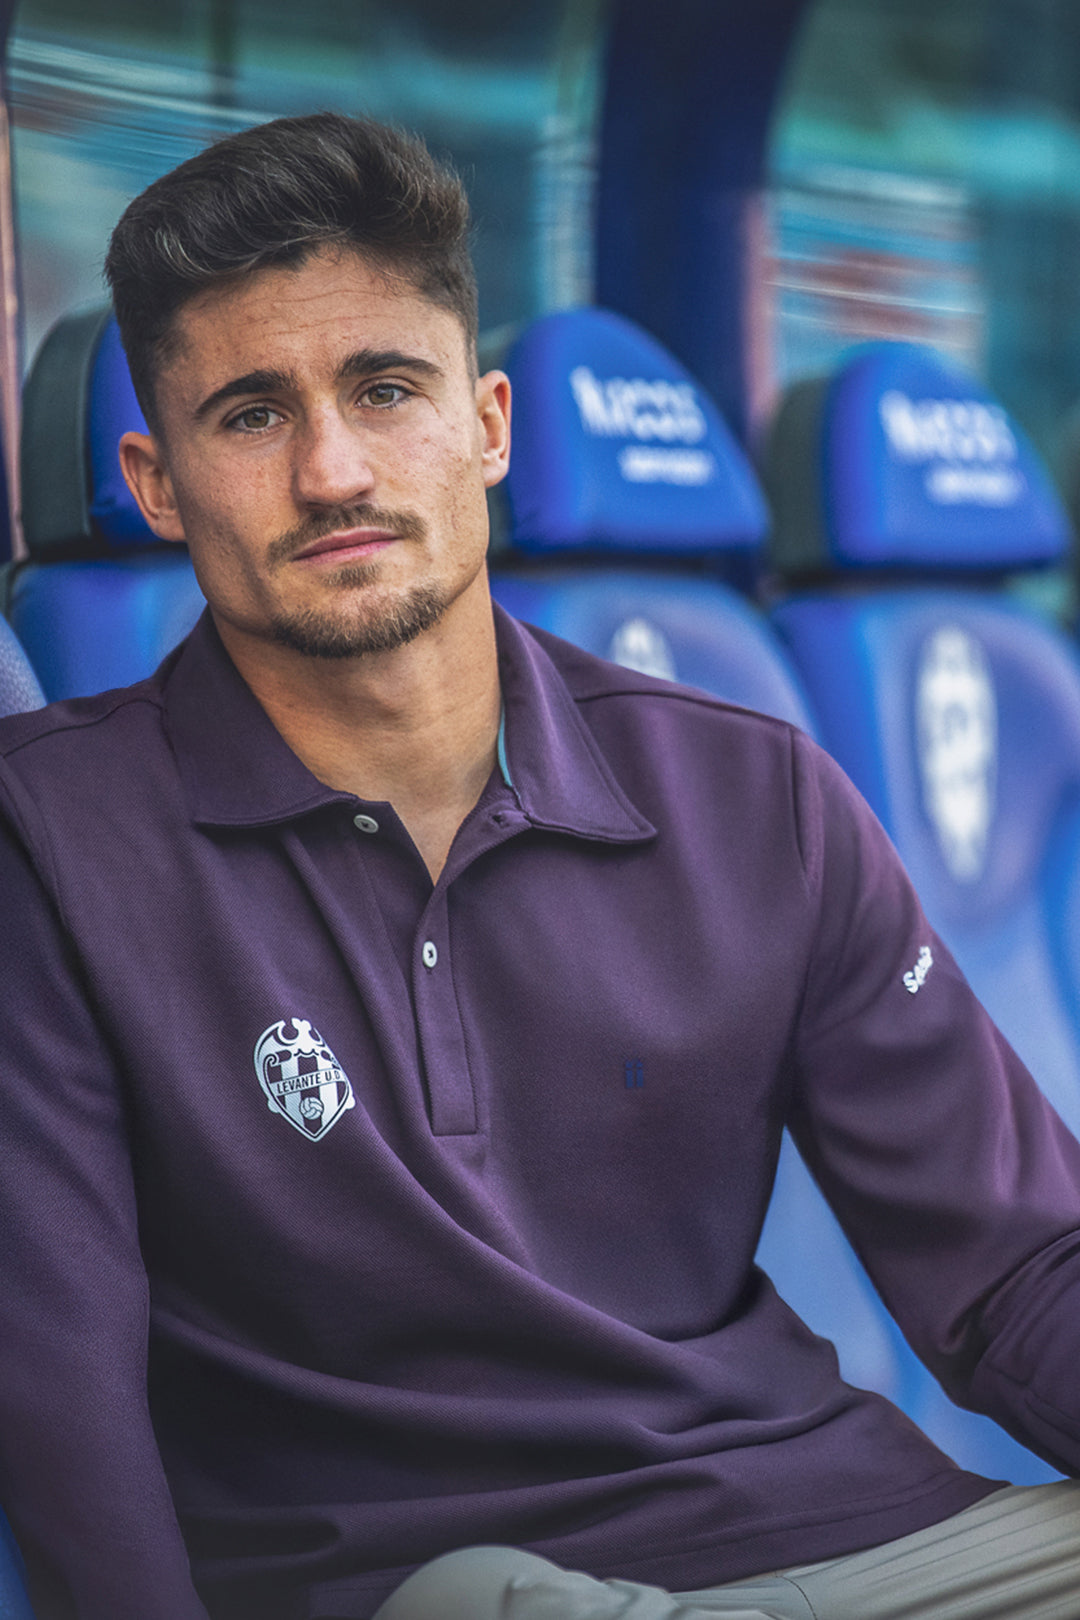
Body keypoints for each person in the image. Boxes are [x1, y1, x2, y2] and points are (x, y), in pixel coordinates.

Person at [1, 112, 1080, 1620]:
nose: (332, 470)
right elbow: (58, 1387)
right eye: (250, 415)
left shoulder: (753, 788)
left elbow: (1017, 1267)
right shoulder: (49, 836)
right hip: (462, 1585)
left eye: (387, 391)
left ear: (489, 427)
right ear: (158, 479)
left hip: (880, 1538)